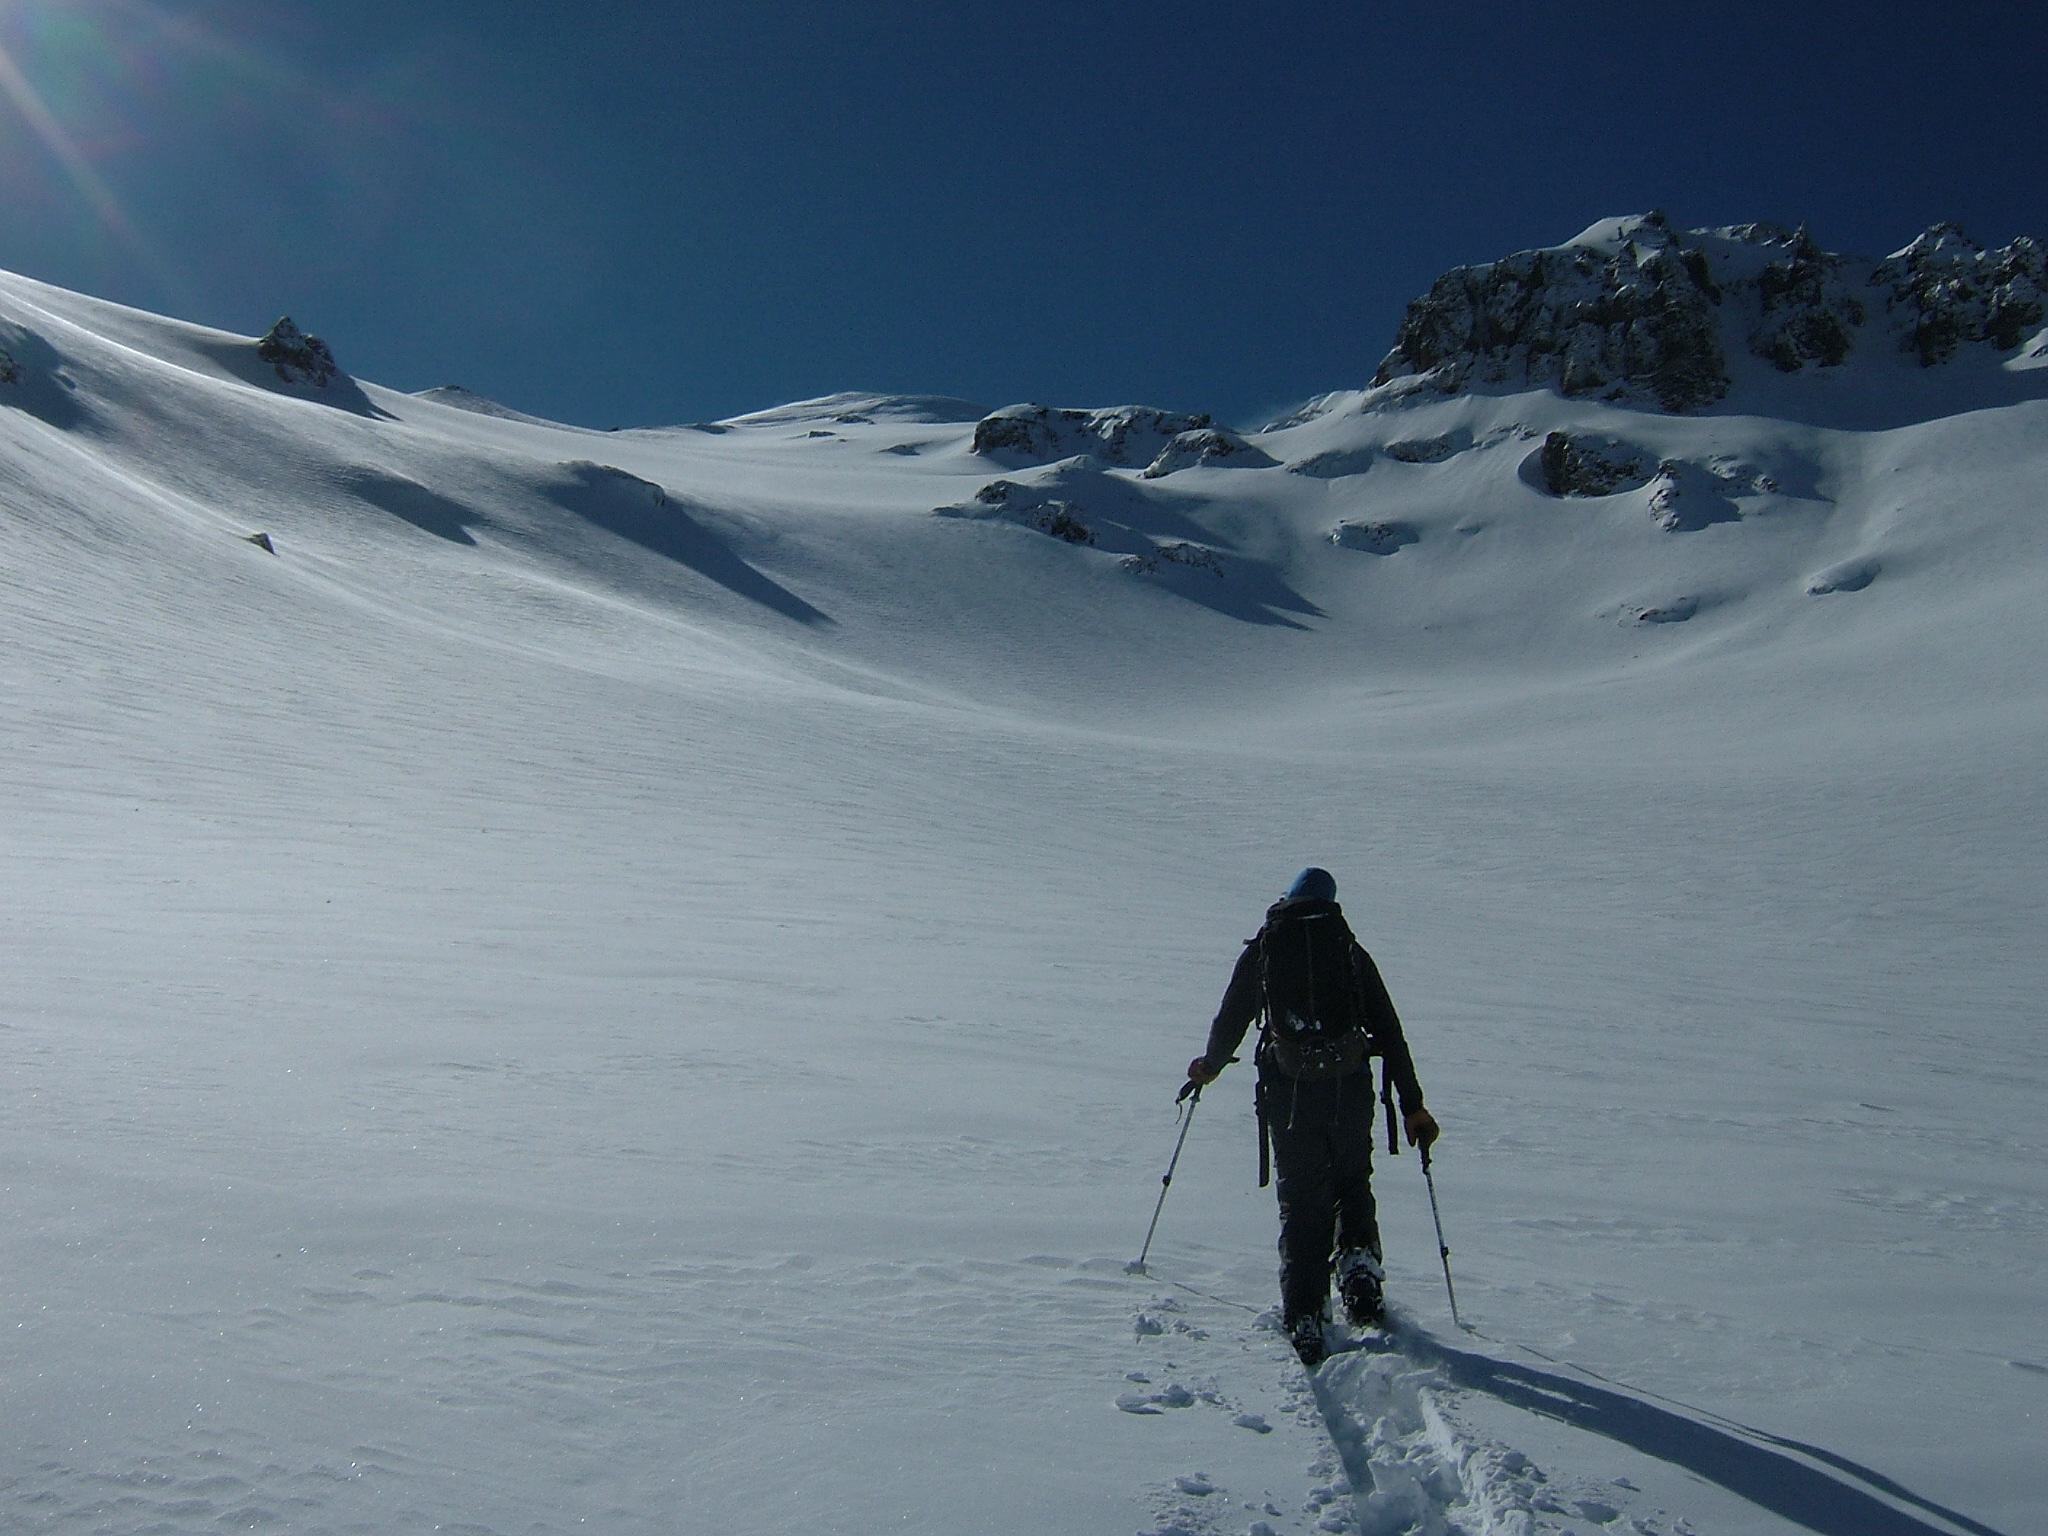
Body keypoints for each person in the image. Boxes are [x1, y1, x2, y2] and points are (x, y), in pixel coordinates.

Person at [1184, 867, 1438, 1367]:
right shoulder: (1347, 948)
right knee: (1351, 1181)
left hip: (1290, 1092)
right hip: (1349, 1090)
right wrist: (1413, 1105)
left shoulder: (1266, 948)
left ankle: (1305, 1315)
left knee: (1301, 1201)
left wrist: (1209, 1067)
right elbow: (1388, 1029)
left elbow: (1232, 1015)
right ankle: (1360, 1278)